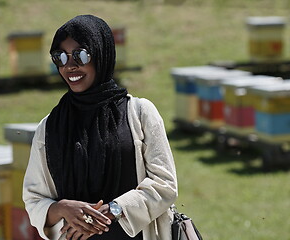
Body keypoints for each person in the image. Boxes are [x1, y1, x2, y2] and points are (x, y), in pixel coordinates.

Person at [23, 14, 178, 240]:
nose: (70, 66)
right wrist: (62, 208)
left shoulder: (140, 113)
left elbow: (165, 185)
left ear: (101, 54)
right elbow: (34, 199)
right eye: (61, 57)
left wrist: (114, 210)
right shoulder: (49, 128)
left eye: (80, 55)